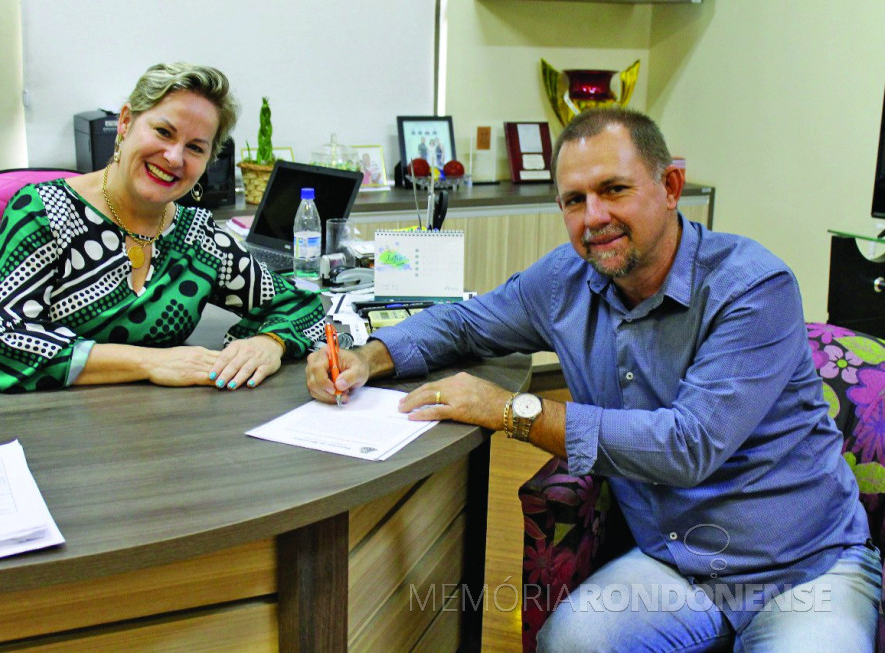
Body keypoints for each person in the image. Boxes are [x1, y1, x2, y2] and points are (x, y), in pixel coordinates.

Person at [307, 107, 880, 651]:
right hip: (675, 563)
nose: (594, 218)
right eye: (574, 200)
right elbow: (467, 321)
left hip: (806, 567)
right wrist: (369, 356)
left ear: (671, 188)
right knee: (571, 641)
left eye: (614, 190)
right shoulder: (565, 278)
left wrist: (512, 410)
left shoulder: (752, 287)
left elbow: (688, 445)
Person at [0, 62, 326, 393]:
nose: (174, 158)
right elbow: (3, 338)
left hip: (155, 434)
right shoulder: (45, 211)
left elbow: (300, 304)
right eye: (164, 132)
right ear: (125, 123)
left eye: (195, 148)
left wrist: (269, 343)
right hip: (50, 431)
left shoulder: (198, 238)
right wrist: (151, 362)